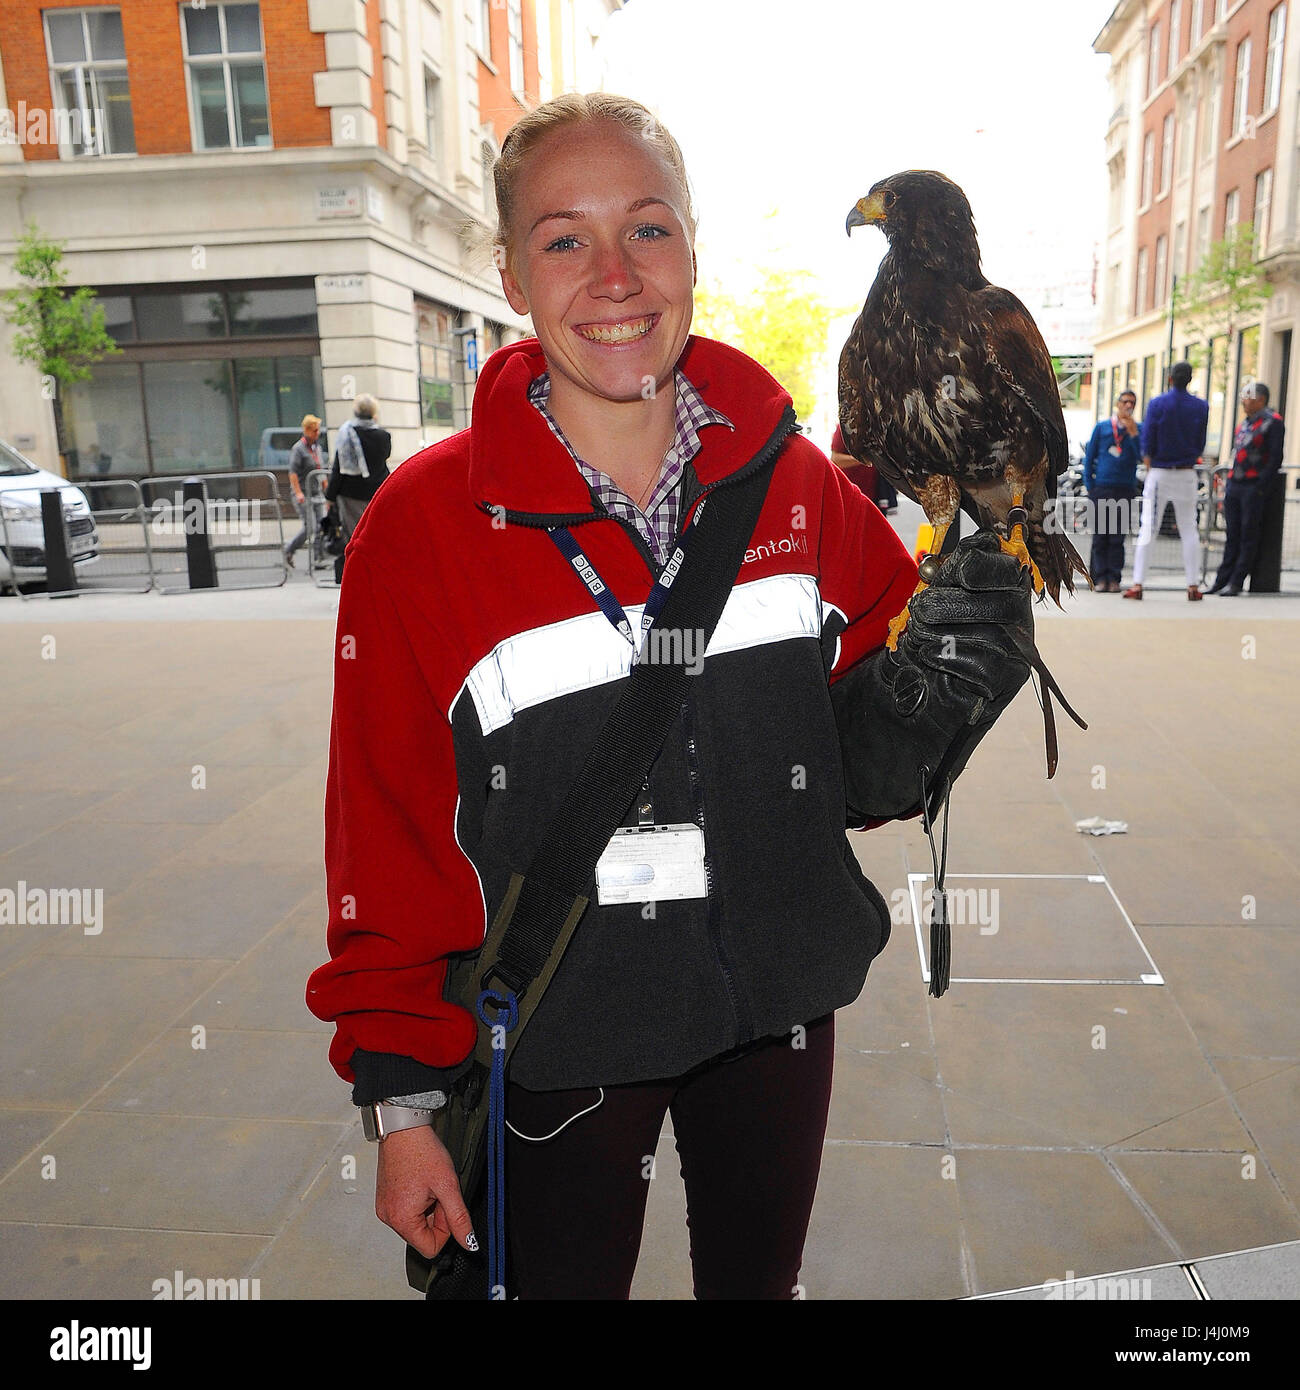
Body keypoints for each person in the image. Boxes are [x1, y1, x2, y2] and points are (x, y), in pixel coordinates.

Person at [305, 93, 1036, 1301]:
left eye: (646, 230)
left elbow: (858, 749)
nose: (612, 276)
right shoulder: (423, 528)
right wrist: (401, 1101)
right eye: (562, 238)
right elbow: (381, 831)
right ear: (507, 268)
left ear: (692, 248)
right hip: (561, 1030)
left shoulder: (797, 484)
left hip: (777, 1011)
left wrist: (937, 702)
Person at [1124, 360, 1209, 601]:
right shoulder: (1201, 406)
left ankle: (1138, 583)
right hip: (1187, 471)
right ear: (1190, 379)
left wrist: (1148, 458)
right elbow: (1200, 441)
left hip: (1160, 470)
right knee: (1189, 528)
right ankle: (1193, 585)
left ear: (1170, 378)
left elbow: (1148, 437)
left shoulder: (1158, 403)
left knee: (1149, 526)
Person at [1207, 381, 1284, 596]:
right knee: (1232, 534)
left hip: (1253, 486)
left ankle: (1237, 581)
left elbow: (1275, 458)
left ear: (1261, 399)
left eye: (1248, 396)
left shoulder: (1272, 422)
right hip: (1236, 484)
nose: (1244, 400)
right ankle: (1222, 580)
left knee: (1248, 535)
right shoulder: (1244, 424)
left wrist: (1261, 485)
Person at [1082, 390, 1141, 591]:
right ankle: (1099, 578)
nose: (1128, 406)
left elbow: (1140, 456)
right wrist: (1090, 486)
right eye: (1125, 401)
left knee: (1117, 536)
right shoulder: (1103, 427)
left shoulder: (1137, 429)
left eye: (1132, 402)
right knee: (1100, 535)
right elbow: (1089, 458)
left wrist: (1133, 435)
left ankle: (1114, 578)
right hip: (1102, 488)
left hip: (1124, 489)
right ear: (1118, 404)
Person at [324, 394, 391, 550]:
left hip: (350, 494)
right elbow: (384, 458)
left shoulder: (346, 434)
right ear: (374, 413)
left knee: (354, 537)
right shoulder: (383, 436)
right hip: (377, 492)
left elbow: (338, 469)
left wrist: (330, 496)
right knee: (375, 534)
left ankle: (355, 570)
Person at [284, 414, 324, 568]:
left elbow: (320, 469)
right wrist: (298, 492)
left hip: (316, 492)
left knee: (322, 525)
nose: (317, 433)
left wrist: (326, 490)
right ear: (306, 430)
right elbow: (293, 473)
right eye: (314, 430)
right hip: (303, 493)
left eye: (318, 430)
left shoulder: (317, 447)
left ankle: (317, 559)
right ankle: (289, 549)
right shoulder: (298, 449)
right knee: (311, 526)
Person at [830, 423, 896, 514]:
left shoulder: (880, 425)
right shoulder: (846, 426)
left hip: (877, 497)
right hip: (852, 498)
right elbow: (836, 459)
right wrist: (866, 458)